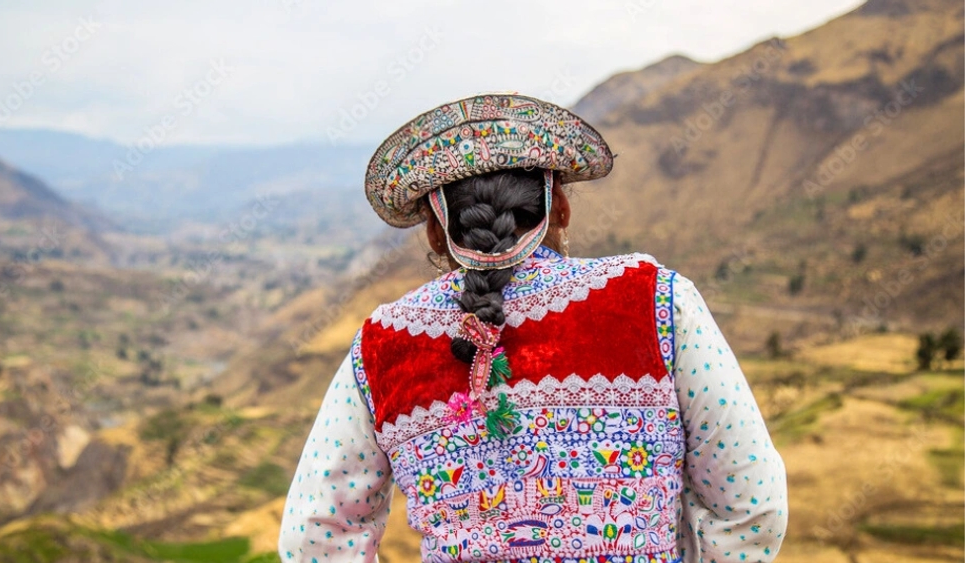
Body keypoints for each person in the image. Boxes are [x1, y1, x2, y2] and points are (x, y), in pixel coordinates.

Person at [278, 93, 788, 563]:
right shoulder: (656, 302)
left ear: (435, 232)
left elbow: (315, 536)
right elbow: (751, 504)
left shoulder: (382, 346)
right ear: (559, 209)